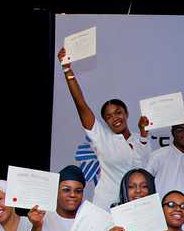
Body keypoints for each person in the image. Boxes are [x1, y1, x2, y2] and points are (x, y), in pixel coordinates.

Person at [58, 47, 151, 210]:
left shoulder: (140, 139)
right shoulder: (102, 138)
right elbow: (81, 104)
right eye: (108, 116)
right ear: (105, 121)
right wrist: (67, 70)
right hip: (106, 206)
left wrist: (143, 135)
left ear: (126, 113)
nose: (115, 118)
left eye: (118, 113)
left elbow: (143, 169)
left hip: (136, 208)